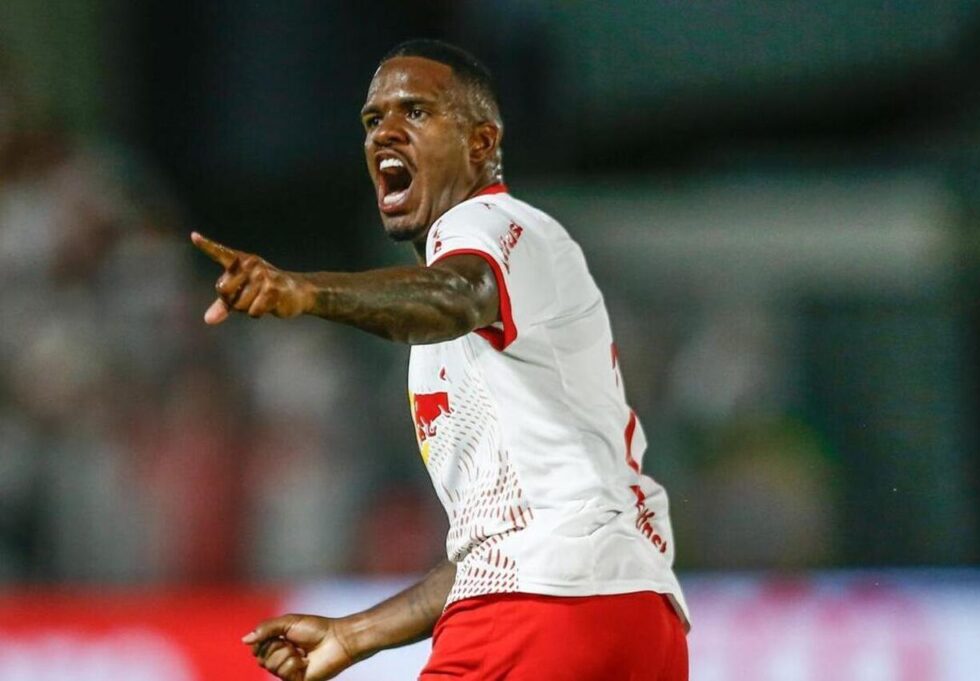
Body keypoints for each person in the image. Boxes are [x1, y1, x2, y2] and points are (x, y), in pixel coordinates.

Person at [194, 39, 690, 681]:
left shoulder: (487, 224)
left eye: (416, 112)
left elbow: (457, 294)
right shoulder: (512, 285)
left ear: (481, 143)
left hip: (537, 615)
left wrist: (304, 291)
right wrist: (354, 634)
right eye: (373, 119)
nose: (385, 132)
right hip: (636, 615)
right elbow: (503, 541)